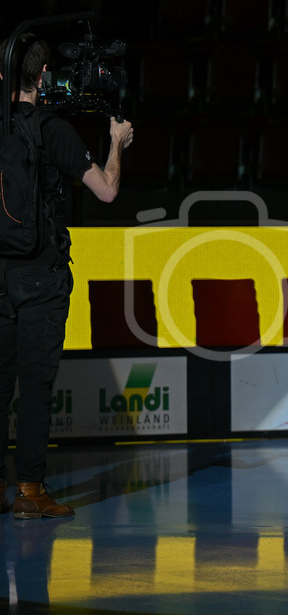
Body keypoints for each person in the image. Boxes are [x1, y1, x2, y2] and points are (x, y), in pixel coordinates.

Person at [0, 32, 133, 518]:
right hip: (41, 276)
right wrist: (117, 144)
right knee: (35, 386)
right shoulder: (53, 129)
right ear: (41, 78)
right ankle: (30, 490)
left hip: (0, 276)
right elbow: (107, 192)